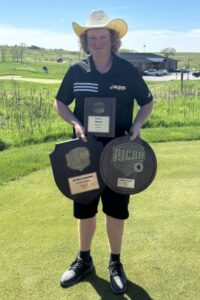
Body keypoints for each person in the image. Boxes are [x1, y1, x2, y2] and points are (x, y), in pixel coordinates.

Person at [54, 10, 153, 295]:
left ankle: (115, 263)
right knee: (85, 209)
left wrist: (136, 125)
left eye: (102, 38)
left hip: (119, 154)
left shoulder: (127, 70)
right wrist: (74, 122)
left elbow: (147, 102)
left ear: (113, 40)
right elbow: (60, 102)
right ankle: (84, 260)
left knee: (116, 211)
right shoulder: (76, 70)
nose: (97, 43)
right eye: (92, 38)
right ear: (85, 42)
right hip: (83, 155)